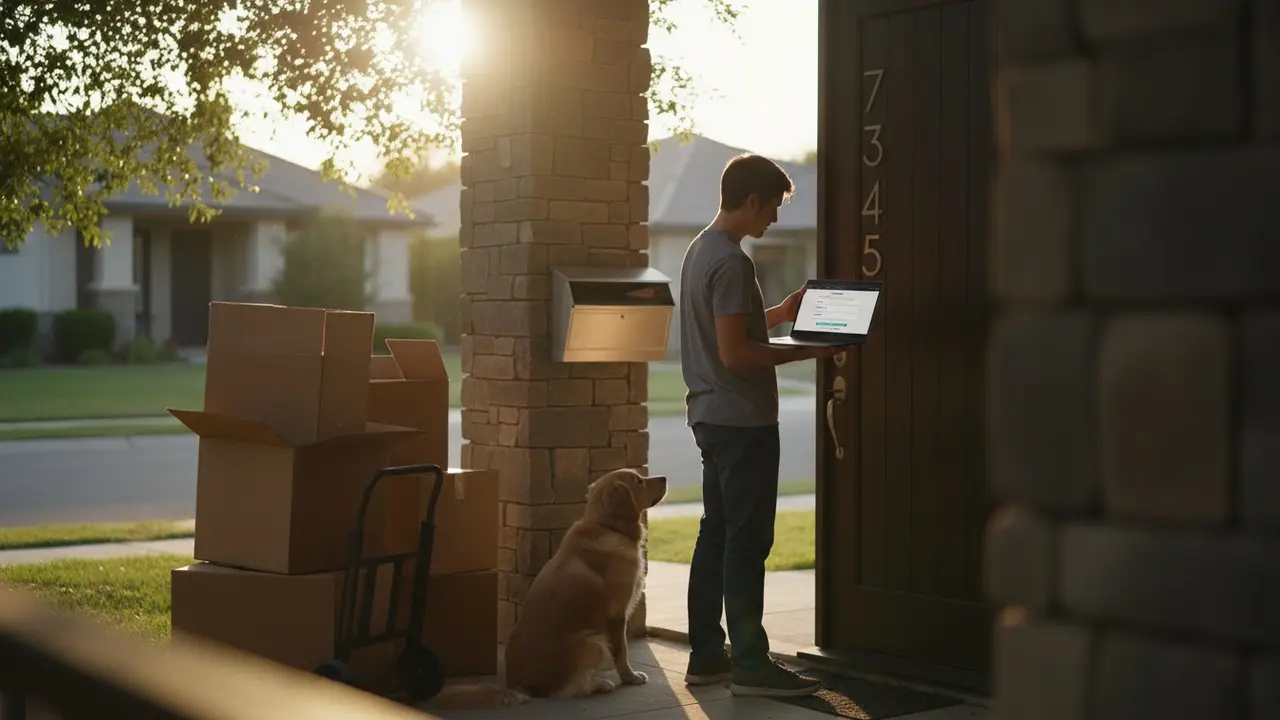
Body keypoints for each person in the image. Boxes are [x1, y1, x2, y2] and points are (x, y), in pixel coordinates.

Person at [678, 153, 842, 697]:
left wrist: (782, 313)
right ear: (751, 201)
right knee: (747, 545)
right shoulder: (731, 261)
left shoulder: (700, 250)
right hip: (742, 422)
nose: (772, 218)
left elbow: (730, 327)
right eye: (771, 207)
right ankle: (751, 665)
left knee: (716, 534)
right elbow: (737, 354)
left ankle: (707, 655)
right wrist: (812, 350)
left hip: (709, 417)